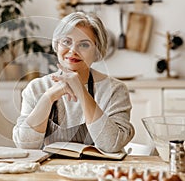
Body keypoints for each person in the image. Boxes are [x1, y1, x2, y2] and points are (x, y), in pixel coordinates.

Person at [12, 12, 134, 153]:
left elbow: (111, 145)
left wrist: (81, 92)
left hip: (99, 172)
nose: (73, 51)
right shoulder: (36, 88)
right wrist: (49, 97)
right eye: (66, 42)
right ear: (57, 45)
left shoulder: (115, 90)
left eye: (84, 44)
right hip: (50, 173)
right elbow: (25, 145)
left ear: (97, 51)